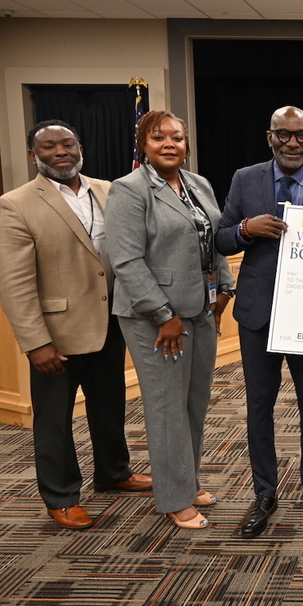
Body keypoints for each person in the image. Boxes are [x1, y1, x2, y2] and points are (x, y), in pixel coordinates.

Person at [0, 119, 151, 530]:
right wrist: (34, 342)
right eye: (48, 147)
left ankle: (114, 472)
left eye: (67, 144)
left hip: (110, 322)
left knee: (109, 407)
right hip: (56, 335)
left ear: (80, 147)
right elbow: (14, 282)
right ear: (33, 155)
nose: (60, 152)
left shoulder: (110, 190)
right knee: (55, 419)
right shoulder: (14, 204)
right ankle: (61, 496)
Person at [216, 106, 303, 536]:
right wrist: (246, 230)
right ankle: (264, 492)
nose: (293, 143)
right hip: (258, 313)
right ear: (268, 137)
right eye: (283, 135)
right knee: (259, 408)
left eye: (301, 135)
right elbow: (220, 237)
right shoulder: (244, 179)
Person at [106, 110, 234, 530]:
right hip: (155, 319)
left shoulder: (198, 184)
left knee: (194, 401)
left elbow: (215, 239)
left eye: (177, 138)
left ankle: (186, 479)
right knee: (166, 408)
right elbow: (125, 260)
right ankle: (174, 497)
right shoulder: (129, 190)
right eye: (159, 137)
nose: (169, 144)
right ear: (143, 143)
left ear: (186, 145)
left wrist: (224, 289)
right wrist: (163, 315)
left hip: (200, 309)